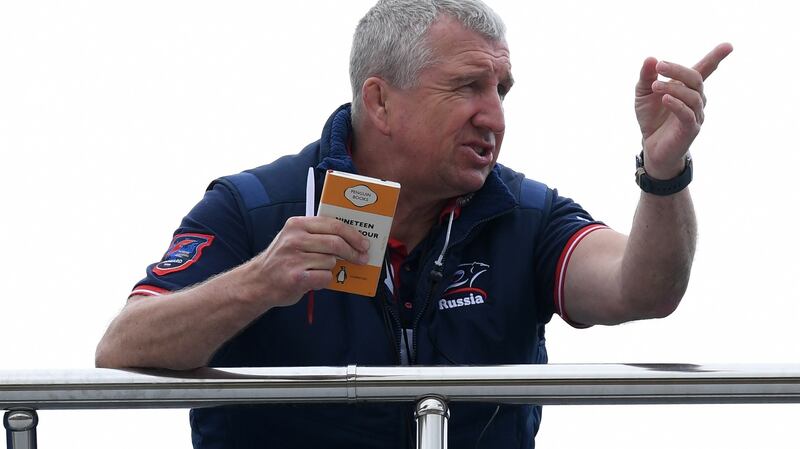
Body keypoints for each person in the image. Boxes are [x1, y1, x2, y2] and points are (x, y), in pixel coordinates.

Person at [95, 0, 732, 447]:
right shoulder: (254, 208)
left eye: (502, 90)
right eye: (467, 87)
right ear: (379, 101)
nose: (494, 117)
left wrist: (664, 171)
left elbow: (643, 289)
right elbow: (123, 349)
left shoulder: (527, 216)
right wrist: (259, 283)